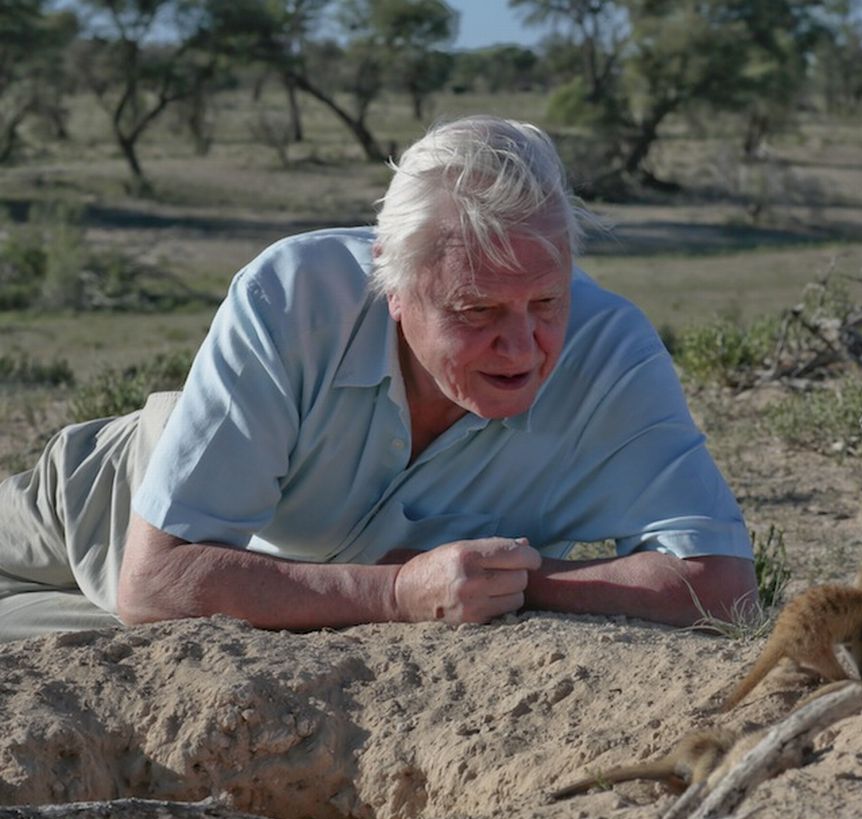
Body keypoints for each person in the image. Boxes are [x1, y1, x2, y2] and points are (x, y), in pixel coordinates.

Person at [0, 115, 756, 642]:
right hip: (108, 504)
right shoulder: (295, 291)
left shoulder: (611, 350)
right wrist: (395, 592)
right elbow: (158, 579)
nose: (522, 344)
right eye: (477, 308)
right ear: (391, 289)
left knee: (88, 664)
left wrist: (509, 579)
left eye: (548, 301)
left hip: (242, 605)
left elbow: (723, 584)